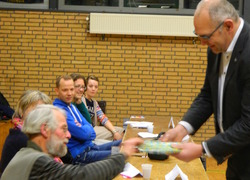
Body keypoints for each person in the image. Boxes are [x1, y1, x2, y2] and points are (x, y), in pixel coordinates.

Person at [160, 0, 250, 179]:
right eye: (198, 36)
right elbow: (208, 96)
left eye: (206, 37)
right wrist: (181, 129)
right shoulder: (216, 48)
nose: (202, 43)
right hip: (237, 159)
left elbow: (248, 124)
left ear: (228, 26)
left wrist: (202, 149)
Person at [1, 104, 143, 180]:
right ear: (45, 129)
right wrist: (123, 154)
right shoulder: (37, 162)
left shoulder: (28, 154)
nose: (68, 135)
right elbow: (82, 175)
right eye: (63, 129)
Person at [53, 75, 122, 165]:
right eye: (65, 90)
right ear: (57, 91)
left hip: (89, 146)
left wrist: (84, 127)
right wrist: (85, 128)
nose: (69, 93)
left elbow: (91, 130)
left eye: (71, 89)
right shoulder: (59, 110)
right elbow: (83, 134)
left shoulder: (72, 106)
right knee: (119, 154)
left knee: (122, 144)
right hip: (80, 154)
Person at [0, 90, 52, 175]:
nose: (40, 115)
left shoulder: (36, 133)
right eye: (35, 110)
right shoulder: (21, 137)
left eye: (44, 112)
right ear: (21, 111)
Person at [82, 75, 124, 140]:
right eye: (90, 86)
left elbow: (103, 118)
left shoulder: (94, 103)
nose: (93, 89)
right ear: (85, 87)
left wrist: (114, 132)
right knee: (119, 133)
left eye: (96, 87)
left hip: (93, 129)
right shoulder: (81, 100)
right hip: (86, 130)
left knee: (120, 131)